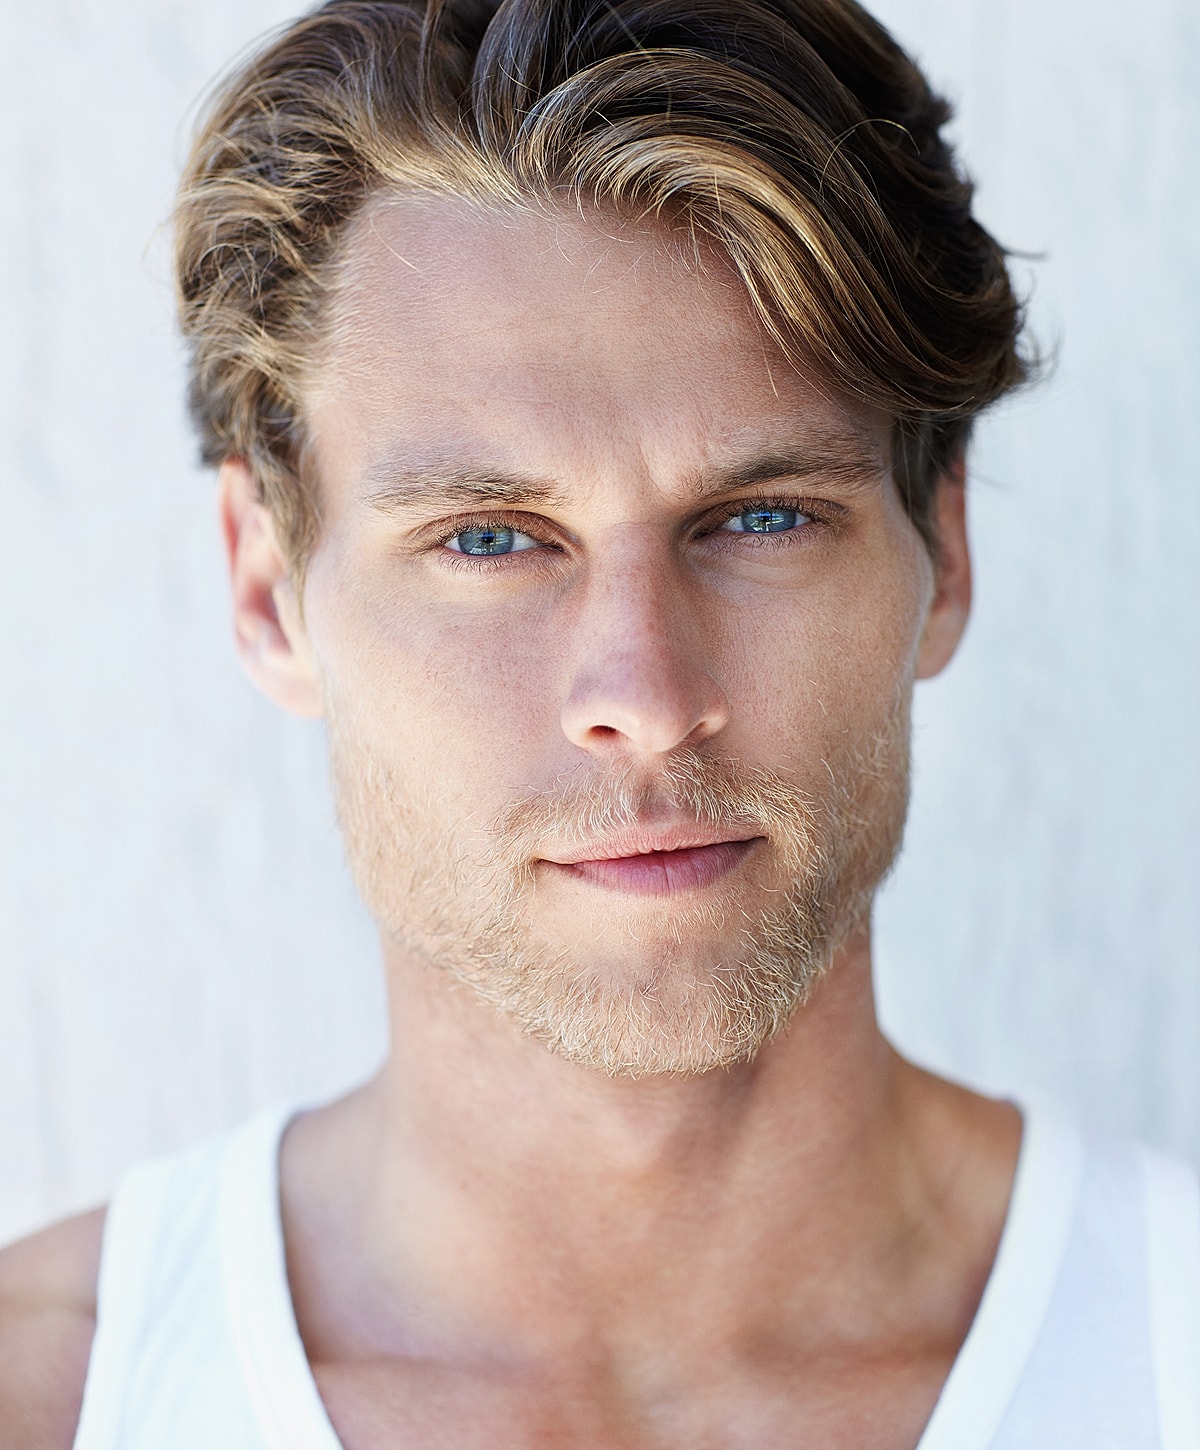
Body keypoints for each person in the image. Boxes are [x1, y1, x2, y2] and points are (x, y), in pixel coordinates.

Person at [2, 0, 1197, 1445]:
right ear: (268, 591)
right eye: (491, 540)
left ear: (942, 553)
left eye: (761, 517)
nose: (640, 695)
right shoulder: (51, 1396)